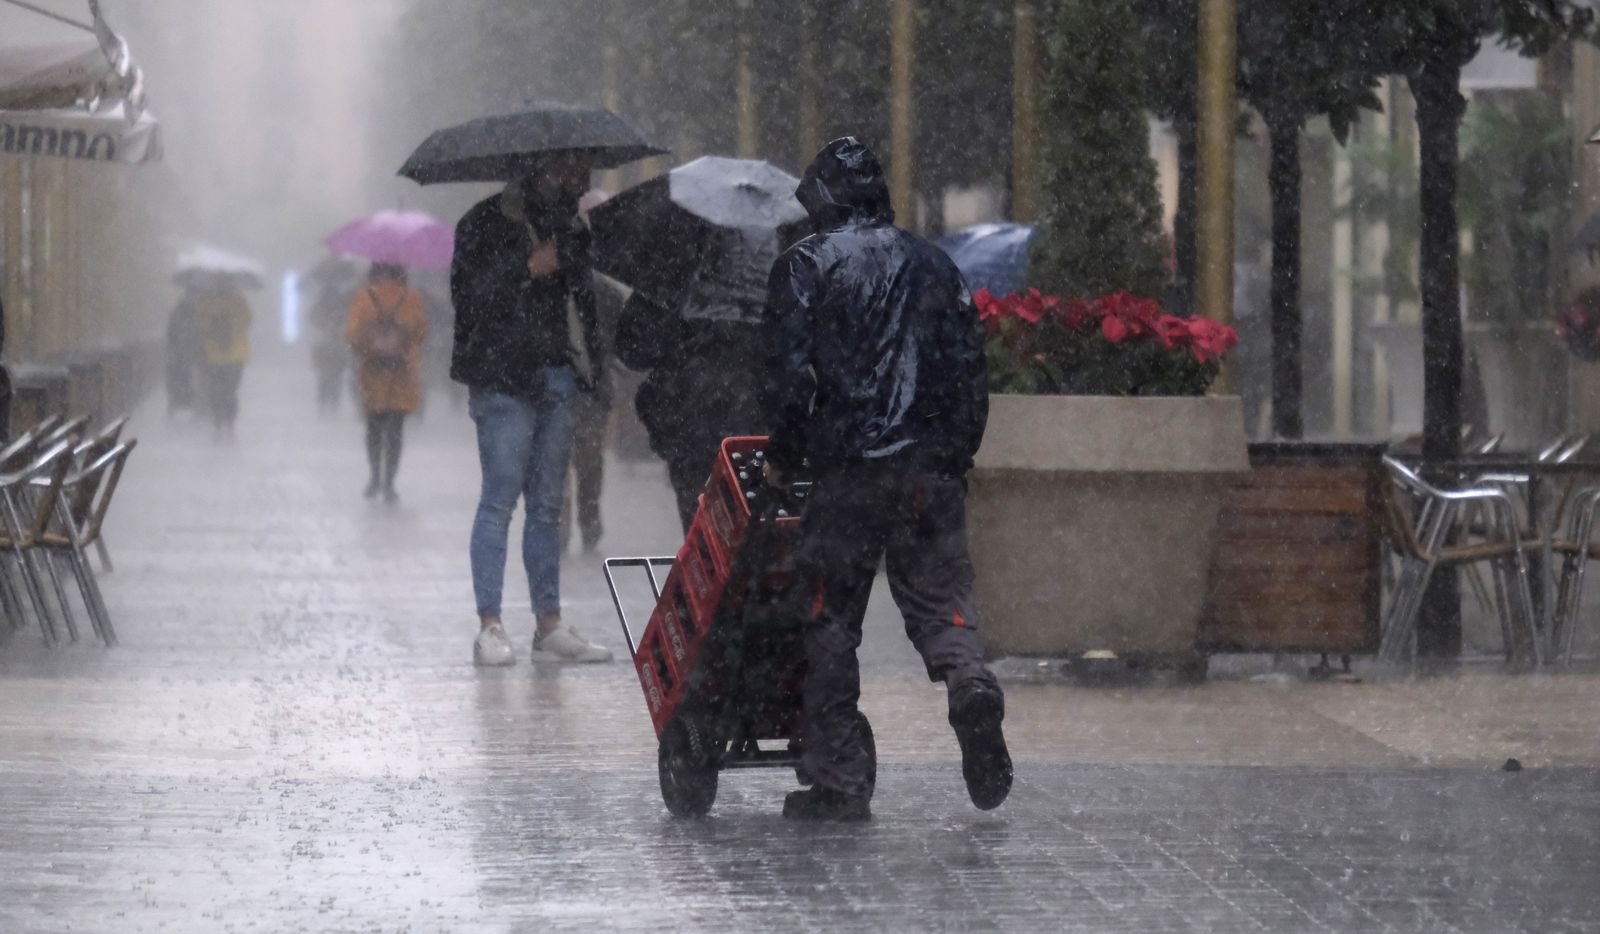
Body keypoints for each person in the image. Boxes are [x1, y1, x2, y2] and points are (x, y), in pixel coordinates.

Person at [762, 137, 1012, 821]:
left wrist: (786, 456)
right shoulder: (935, 265)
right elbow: (969, 371)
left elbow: (787, 378)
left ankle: (840, 778)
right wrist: (954, 455)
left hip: (847, 472)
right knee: (940, 598)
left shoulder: (806, 265)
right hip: (927, 467)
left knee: (828, 616)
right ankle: (968, 682)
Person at [450, 153, 610, 667]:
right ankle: (490, 626)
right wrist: (526, 268)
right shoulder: (480, 223)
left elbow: (585, 299)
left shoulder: (568, 225)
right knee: (499, 500)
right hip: (501, 381)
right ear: (542, 170)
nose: (581, 182)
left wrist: (597, 372)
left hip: (556, 374)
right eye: (572, 172)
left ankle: (549, 623)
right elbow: (469, 300)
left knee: (546, 505)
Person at [615, 293, 766, 530]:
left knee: (703, 531)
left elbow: (632, 350)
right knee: (753, 525)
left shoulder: (670, 274)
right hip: (751, 423)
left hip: (687, 422)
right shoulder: (759, 272)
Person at [346, 263, 428, 503]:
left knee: (373, 427)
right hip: (402, 372)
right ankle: (389, 483)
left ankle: (374, 477)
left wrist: (368, 344)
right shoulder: (413, 297)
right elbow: (422, 333)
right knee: (396, 431)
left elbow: (351, 334)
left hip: (373, 372)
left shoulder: (364, 296)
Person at [194, 275, 252, 436]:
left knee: (215, 389)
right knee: (230, 390)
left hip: (213, 354)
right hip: (235, 355)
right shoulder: (239, 301)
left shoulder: (207, 302)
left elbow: (200, 324)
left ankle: (218, 419)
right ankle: (229, 420)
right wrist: (231, 321)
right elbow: (247, 322)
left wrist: (214, 320)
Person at [165, 288, 202, 416]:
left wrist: (173, 348)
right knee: (192, 378)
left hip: (180, 352)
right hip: (192, 353)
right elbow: (200, 333)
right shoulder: (200, 312)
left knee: (179, 379)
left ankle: (178, 404)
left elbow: (171, 332)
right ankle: (192, 404)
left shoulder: (178, 311)